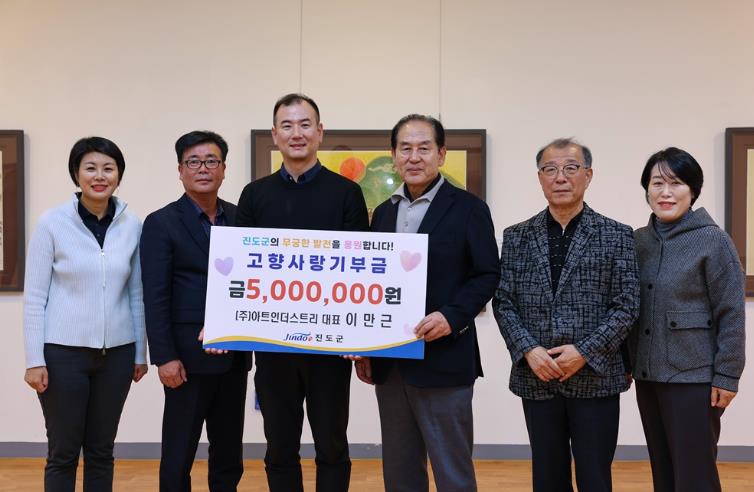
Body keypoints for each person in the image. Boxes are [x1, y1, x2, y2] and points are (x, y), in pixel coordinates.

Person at [353, 114, 499, 491]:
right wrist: (366, 347)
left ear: (441, 154)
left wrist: (452, 317)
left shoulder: (469, 208)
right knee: (400, 472)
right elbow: (372, 284)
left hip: (444, 359)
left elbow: (487, 274)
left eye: (424, 148)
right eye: (405, 148)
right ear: (393, 156)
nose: (414, 157)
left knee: (452, 472)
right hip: (391, 364)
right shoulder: (383, 213)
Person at [235, 93, 369, 492]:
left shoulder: (346, 193)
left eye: (305, 124)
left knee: (332, 445)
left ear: (320, 132)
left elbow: (359, 271)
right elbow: (240, 269)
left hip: (330, 347)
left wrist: (359, 338)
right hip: (273, 346)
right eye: (288, 125)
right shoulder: (254, 195)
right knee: (279, 447)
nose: (297, 133)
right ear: (275, 134)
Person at [493, 138, 640, 491]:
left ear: (588, 175)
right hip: (538, 375)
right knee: (547, 477)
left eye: (571, 168)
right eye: (550, 169)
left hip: (595, 377)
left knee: (595, 477)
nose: (560, 177)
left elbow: (627, 304)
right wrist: (529, 350)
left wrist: (585, 351)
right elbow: (504, 301)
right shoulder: (516, 236)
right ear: (540, 177)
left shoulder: (617, 234)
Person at [23, 136, 148, 491]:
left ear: (119, 175)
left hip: (117, 355)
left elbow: (136, 294)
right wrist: (34, 360)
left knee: (101, 451)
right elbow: (35, 298)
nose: (100, 176)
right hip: (63, 355)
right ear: (76, 174)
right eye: (90, 168)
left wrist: (140, 353)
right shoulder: (52, 223)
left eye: (108, 168)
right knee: (63, 452)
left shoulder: (132, 225)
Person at [629, 147, 745, 492]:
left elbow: (731, 312)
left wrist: (727, 375)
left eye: (676, 183)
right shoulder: (638, 241)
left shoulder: (713, 240)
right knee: (663, 471)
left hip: (694, 379)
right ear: (647, 190)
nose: (665, 192)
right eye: (657, 183)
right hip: (648, 376)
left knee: (695, 476)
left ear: (693, 190)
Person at [140, 131, 251, 491]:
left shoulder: (241, 218)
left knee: (229, 452)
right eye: (194, 162)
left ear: (223, 169)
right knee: (178, 453)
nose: (203, 169)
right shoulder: (161, 222)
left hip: (234, 355)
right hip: (185, 359)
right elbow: (155, 295)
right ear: (180, 170)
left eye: (211, 161)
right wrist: (164, 357)